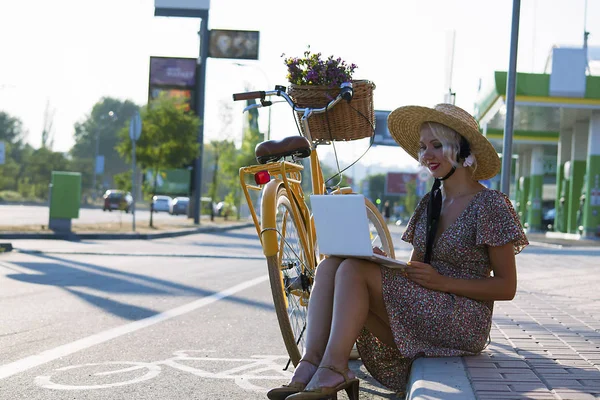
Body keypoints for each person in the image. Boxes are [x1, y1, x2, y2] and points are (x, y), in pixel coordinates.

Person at [267, 103, 528, 399]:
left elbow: (507, 287)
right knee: (333, 264)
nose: (426, 155)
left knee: (353, 271)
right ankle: (311, 362)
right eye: (422, 147)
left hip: (464, 321)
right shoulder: (431, 203)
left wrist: (443, 282)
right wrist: (380, 261)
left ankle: (336, 367)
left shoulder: (490, 204)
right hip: (429, 307)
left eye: (437, 145)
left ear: (462, 149)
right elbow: (416, 273)